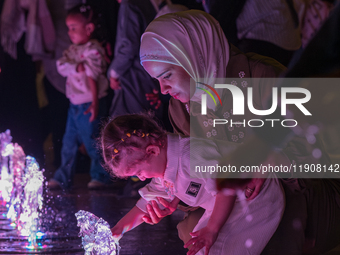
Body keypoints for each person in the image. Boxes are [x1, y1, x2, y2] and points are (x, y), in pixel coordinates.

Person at [138, 10, 333, 254]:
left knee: (274, 225)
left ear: (194, 55)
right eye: (156, 80)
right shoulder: (182, 107)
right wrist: (175, 197)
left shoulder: (262, 77)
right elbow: (197, 175)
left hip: (300, 191)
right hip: (240, 200)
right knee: (194, 230)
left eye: (167, 76)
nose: (163, 89)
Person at [101, 113, 285, 255]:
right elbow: (146, 204)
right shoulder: (163, 170)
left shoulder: (192, 154)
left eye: (139, 172)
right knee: (202, 248)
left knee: (217, 248)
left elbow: (226, 189)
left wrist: (212, 229)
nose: (141, 178)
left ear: (153, 150)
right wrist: (117, 230)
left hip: (256, 197)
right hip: (228, 202)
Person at [47, 4, 111, 190]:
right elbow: (62, 66)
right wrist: (76, 67)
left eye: (74, 28)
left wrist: (94, 102)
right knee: (68, 143)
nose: (70, 32)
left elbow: (92, 75)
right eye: (68, 28)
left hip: (89, 103)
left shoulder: (94, 50)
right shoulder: (72, 50)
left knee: (92, 142)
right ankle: (63, 176)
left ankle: (100, 176)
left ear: (89, 28)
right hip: (74, 105)